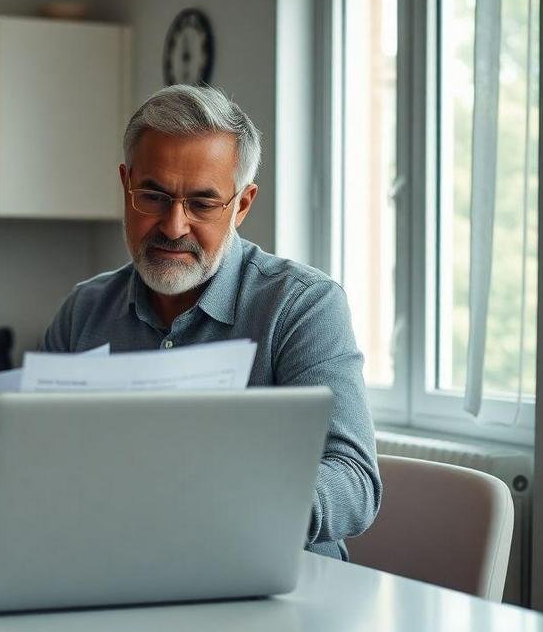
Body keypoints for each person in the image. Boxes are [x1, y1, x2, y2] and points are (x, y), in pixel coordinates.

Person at [41, 85, 381, 559]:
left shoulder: (302, 306)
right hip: (114, 565)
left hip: (268, 579)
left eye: (202, 204)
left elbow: (353, 480)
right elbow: (36, 460)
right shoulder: (84, 311)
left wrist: (238, 507)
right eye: (153, 196)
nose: (173, 226)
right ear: (126, 186)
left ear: (242, 205)